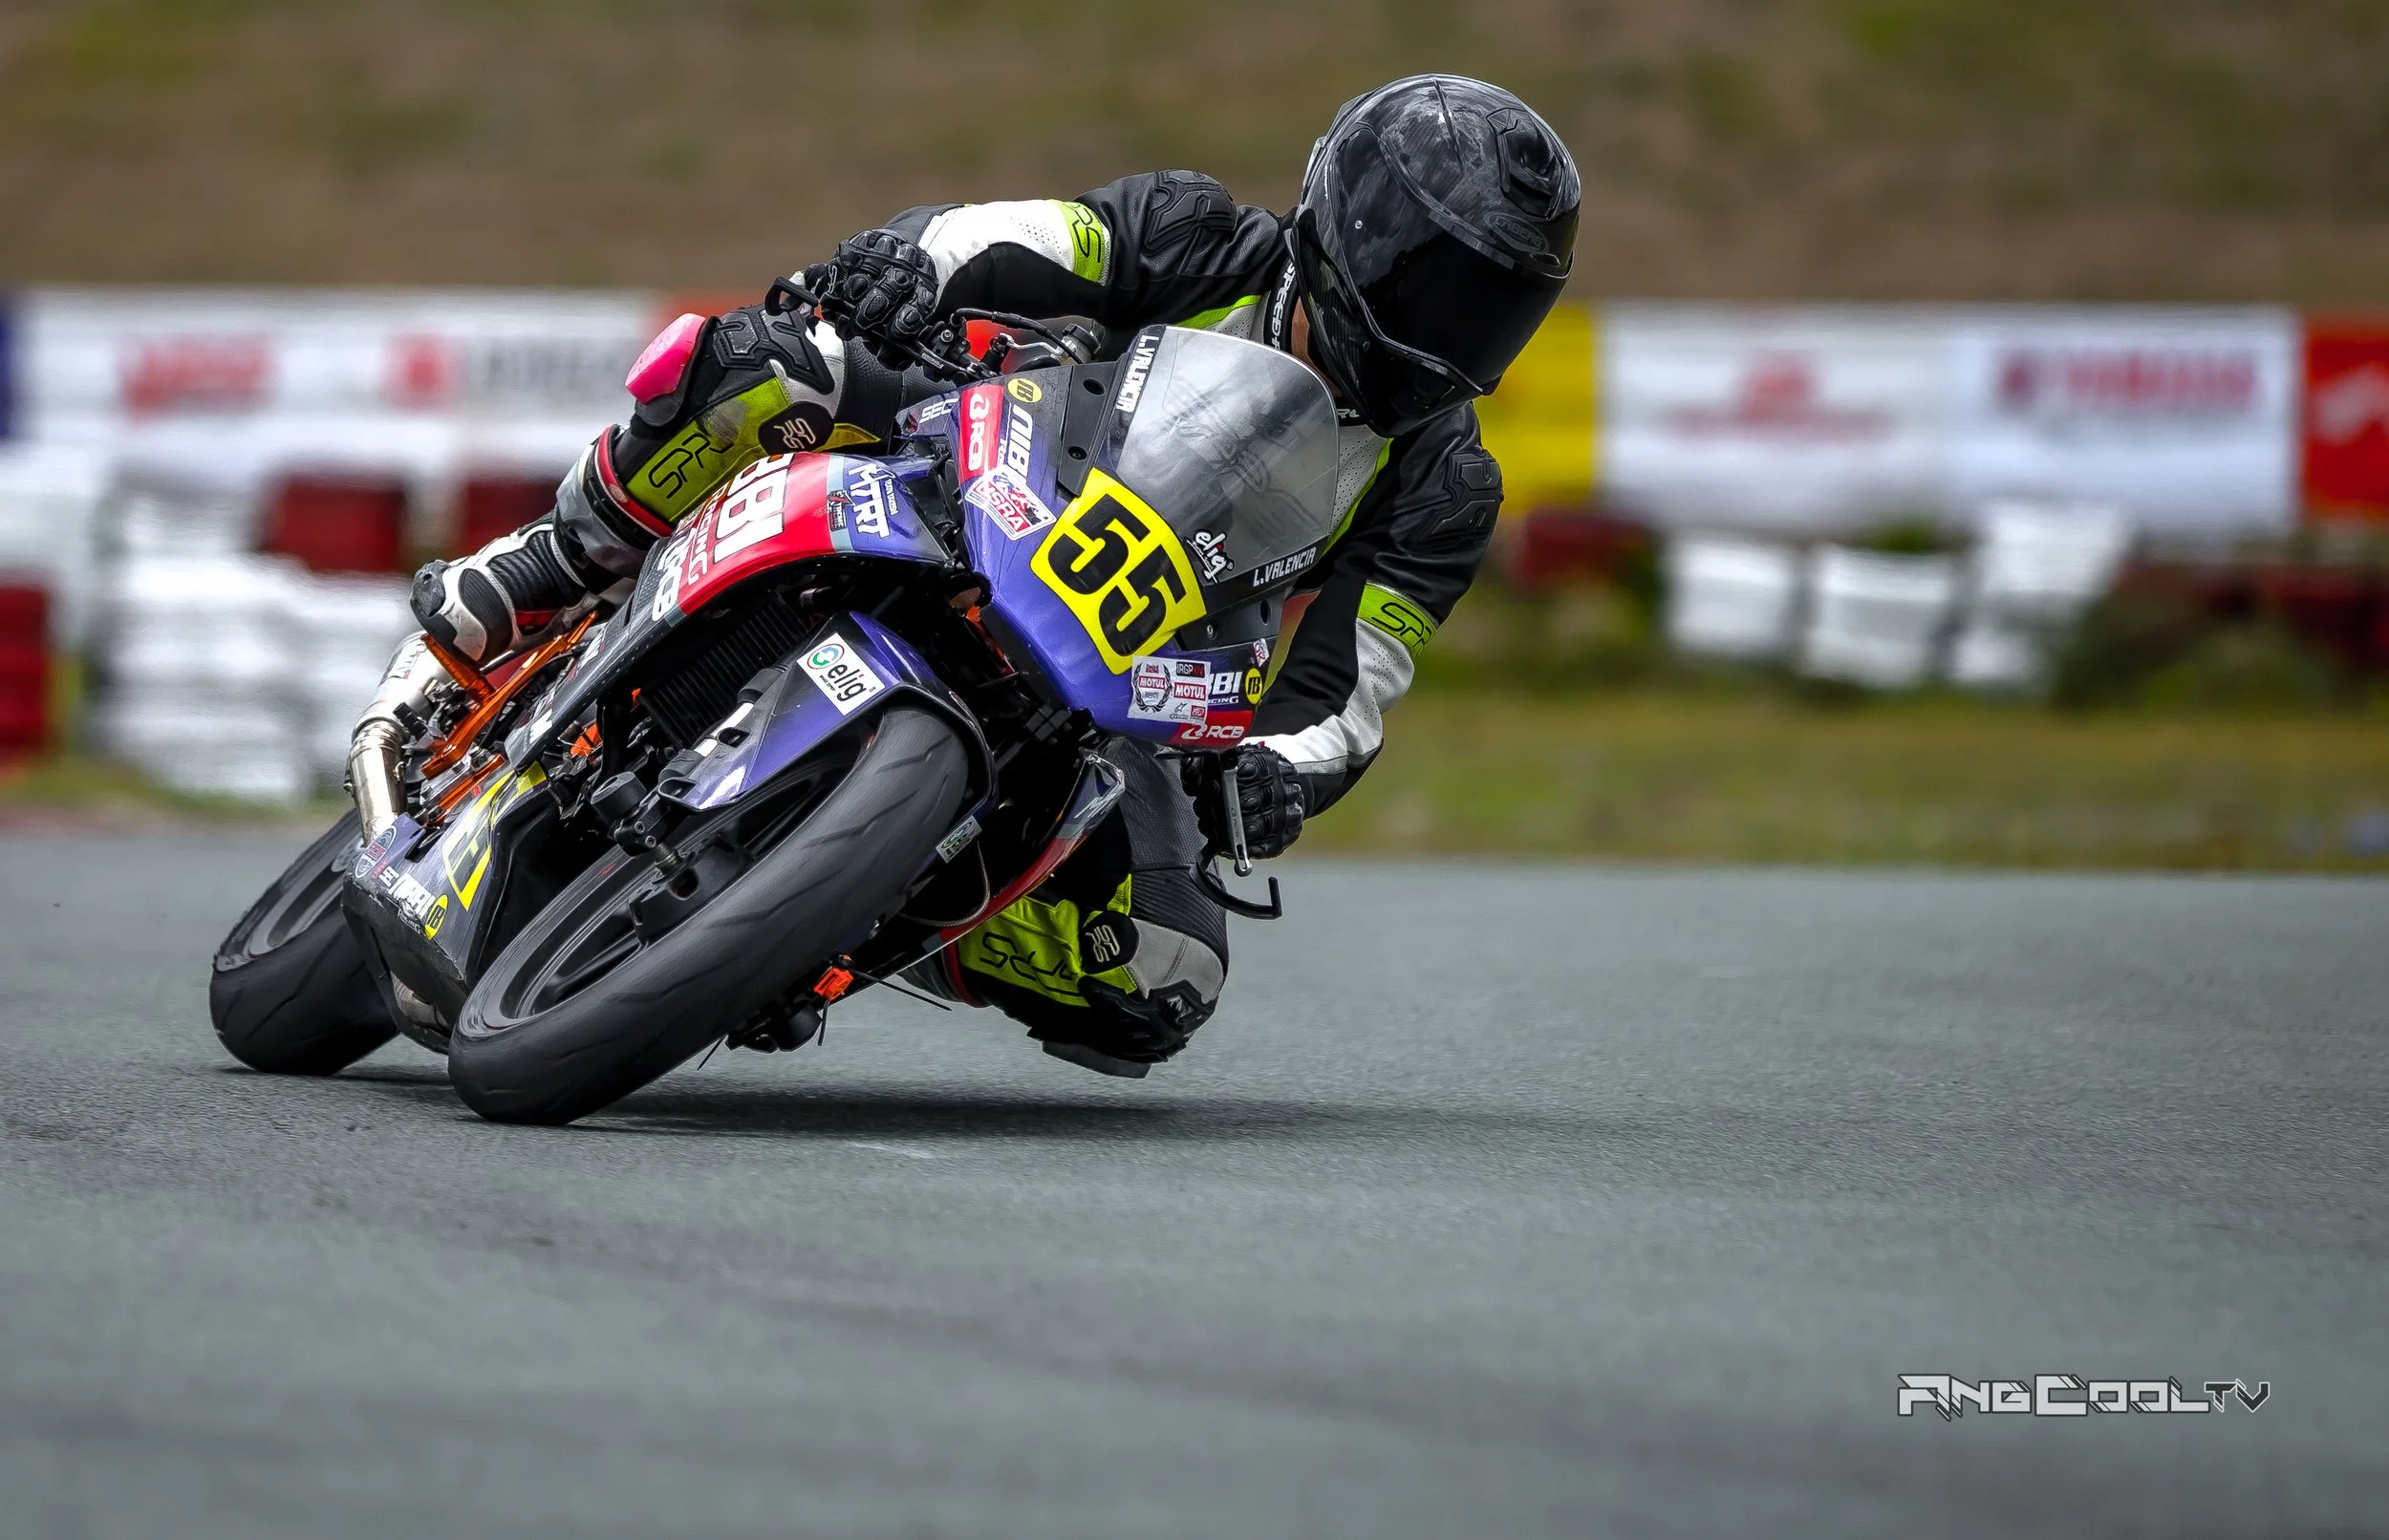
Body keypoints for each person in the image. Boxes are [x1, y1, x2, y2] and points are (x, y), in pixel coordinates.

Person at [391, 75, 1580, 1076]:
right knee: (775, 363)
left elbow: (1349, 688)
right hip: (974, 470)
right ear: (1352, 222)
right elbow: (1019, 233)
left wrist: (1274, 772)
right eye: (1437, 286)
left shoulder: (1444, 487)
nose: (1450, 336)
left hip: (1129, 673)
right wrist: (906, 264)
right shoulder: (1196, 235)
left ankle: (845, 911)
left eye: (1492, 310)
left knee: (1160, 977)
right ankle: (556, 559)